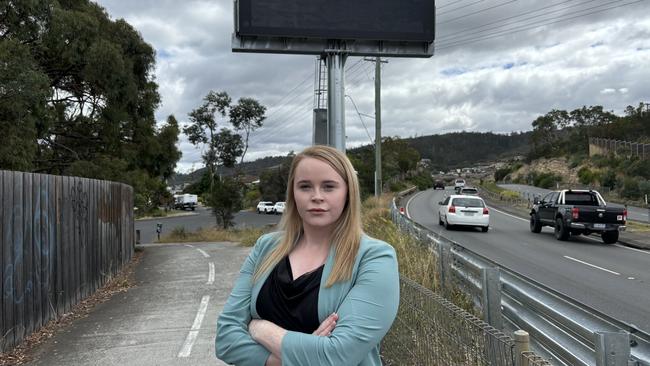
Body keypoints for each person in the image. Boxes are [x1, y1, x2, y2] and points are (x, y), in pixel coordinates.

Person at [215, 145, 400, 366]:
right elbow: (225, 340)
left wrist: (261, 329)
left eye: (329, 187)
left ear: (348, 192)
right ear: (293, 193)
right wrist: (306, 355)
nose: (317, 196)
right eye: (305, 186)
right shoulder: (266, 248)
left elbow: (336, 356)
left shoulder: (375, 258)